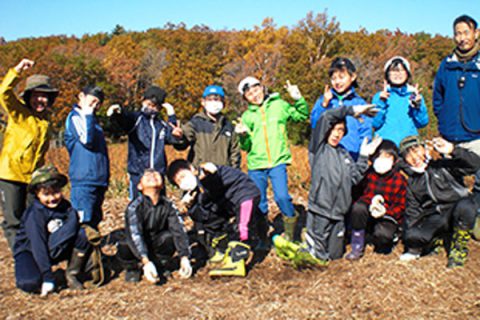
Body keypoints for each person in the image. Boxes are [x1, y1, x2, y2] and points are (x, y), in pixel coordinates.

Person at [235, 77, 308, 243]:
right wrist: (243, 136)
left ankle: (292, 235)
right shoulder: (246, 116)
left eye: (256, 90)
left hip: (277, 161)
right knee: (259, 203)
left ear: (262, 88)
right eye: (249, 94)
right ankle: (262, 239)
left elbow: (301, 115)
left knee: (282, 197)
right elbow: (245, 146)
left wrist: (298, 99)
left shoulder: (279, 105)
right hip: (256, 165)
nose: (254, 95)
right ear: (245, 98)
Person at [306, 104, 380, 262]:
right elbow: (326, 117)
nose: (336, 134)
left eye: (340, 130)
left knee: (335, 255)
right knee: (318, 256)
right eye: (334, 129)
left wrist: (363, 156)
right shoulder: (318, 148)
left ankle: (316, 249)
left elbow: (354, 178)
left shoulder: (343, 153)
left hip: (339, 213)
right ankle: (310, 247)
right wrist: (351, 110)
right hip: (320, 209)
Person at [0, 58, 59, 250]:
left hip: (33, 178)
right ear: (28, 96)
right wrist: (17, 71)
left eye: (44, 96)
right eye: (35, 95)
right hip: (10, 175)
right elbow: (3, 93)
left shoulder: (46, 122)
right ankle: (21, 257)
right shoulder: (19, 114)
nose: (39, 100)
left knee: (34, 216)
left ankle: (37, 251)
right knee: (13, 220)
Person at [167, 159, 261, 277]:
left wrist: (208, 172)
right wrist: (191, 207)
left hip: (244, 195)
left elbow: (213, 177)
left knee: (242, 227)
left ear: (191, 169)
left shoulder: (205, 174)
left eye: (183, 176)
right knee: (213, 219)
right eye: (179, 181)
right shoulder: (195, 191)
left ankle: (236, 261)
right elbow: (204, 212)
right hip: (230, 203)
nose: (183, 181)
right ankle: (224, 248)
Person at [398, 135, 480, 268]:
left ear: (425, 148)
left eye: (416, 149)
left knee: (466, 206)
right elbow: (413, 212)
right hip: (438, 218)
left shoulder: (444, 165)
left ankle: (458, 248)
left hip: (460, 210)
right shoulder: (413, 182)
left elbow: (475, 164)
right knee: (412, 234)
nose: (414, 157)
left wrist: (452, 150)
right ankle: (440, 238)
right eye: (408, 154)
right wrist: (413, 243)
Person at [13, 165, 91, 296]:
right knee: (29, 283)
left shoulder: (66, 207)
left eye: (56, 192)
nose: (52, 198)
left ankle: (72, 274)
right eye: (46, 194)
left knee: (82, 235)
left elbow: (73, 225)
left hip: (54, 246)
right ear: (37, 195)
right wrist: (48, 276)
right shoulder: (35, 214)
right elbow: (38, 245)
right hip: (31, 251)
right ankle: (47, 275)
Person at [117, 169, 192, 283]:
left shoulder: (168, 205)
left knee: (168, 237)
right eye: (147, 175)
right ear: (140, 186)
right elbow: (135, 234)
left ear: (162, 185)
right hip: (138, 248)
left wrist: (184, 257)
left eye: (156, 174)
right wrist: (145, 261)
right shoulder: (135, 207)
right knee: (125, 244)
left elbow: (178, 229)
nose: (152, 176)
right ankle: (133, 268)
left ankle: (161, 265)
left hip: (157, 243)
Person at [107, 86, 182, 200]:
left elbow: (172, 136)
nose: (151, 108)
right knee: (138, 208)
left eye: (154, 106)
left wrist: (171, 115)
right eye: (149, 104)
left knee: (159, 207)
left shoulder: (161, 125)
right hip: (138, 173)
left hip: (158, 174)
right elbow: (125, 119)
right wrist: (117, 113)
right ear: (143, 101)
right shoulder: (136, 119)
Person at [433, 15, 480, 196]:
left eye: (466, 33)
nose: (462, 38)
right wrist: (444, 118)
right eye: (457, 34)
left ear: (476, 34)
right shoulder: (446, 64)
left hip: (476, 136)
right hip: (450, 136)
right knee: (450, 189)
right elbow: (438, 96)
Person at [345, 140, 407, 260]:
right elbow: (356, 194)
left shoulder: (399, 180)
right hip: (366, 212)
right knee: (358, 207)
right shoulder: (368, 174)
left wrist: (385, 211)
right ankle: (357, 244)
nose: (382, 160)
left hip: (386, 217)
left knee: (383, 238)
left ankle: (386, 237)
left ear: (395, 161)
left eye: (387, 157)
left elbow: (401, 207)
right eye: (379, 156)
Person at [310, 57, 373, 160]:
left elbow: (365, 131)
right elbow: (315, 125)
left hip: (351, 156)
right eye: (333, 78)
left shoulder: (359, 104)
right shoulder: (324, 100)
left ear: (353, 77)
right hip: (326, 157)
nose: (337, 82)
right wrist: (324, 105)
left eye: (341, 77)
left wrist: (362, 153)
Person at [64, 86, 109, 228]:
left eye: (98, 103)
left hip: (99, 179)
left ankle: (94, 248)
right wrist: (88, 114)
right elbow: (86, 140)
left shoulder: (94, 122)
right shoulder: (75, 117)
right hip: (84, 180)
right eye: (93, 100)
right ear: (81, 96)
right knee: (83, 220)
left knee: (95, 219)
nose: (95, 105)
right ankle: (81, 249)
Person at [174, 85, 241, 168]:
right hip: (200, 174)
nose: (213, 103)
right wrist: (179, 137)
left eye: (216, 99)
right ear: (203, 102)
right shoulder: (195, 123)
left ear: (223, 103)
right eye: (210, 99)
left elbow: (235, 153)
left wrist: (234, 173)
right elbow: (182, 143)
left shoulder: (228, 127)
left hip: (223, 175)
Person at [372, 56, 429, 145]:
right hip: (385, 148)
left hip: (409, 147)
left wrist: (418, 106)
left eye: (402, 70)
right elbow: (375, 124)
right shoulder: (379, 96)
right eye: (393, 71)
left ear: (407, 74)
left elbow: (422, 123)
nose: (398, 74)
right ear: (387, 74)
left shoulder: (414, 95)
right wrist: (381, 103)